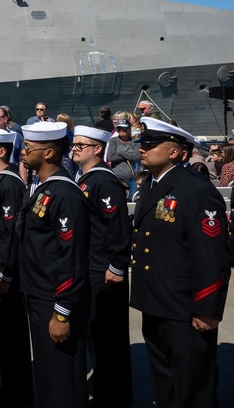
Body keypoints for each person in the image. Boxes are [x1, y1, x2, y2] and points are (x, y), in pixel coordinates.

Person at [130, 117, 231, 408]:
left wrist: (207, 309)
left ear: (175, 152)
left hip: (186, 307)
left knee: (193, 385)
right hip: (157, 301)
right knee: (166, 382)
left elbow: (212, 257)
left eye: (151, 145)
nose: (143, 149)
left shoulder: (196, 190)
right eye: (143, 144)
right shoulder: (151, 185)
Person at [3, 121, 90, 408]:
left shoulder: (65, 194)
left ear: (49, 154)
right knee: (47, 377)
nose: (23, 152)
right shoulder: (43, 189)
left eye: (29, 148)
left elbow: (71, 257)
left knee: (62, 381)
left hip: (55, 300)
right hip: (38, 296)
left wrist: (62, 312)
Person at [72, 125, 132, 408]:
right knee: (94, 334)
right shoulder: (84, 179)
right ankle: (103, 386)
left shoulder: (104, 182)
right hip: (89, 265)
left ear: (97, 149)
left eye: (80, 145)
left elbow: (117, 227)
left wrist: (117, 267)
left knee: (108, 338)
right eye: (73, 144)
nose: (74, 148)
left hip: (103, 268)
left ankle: (113, 396)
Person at [0, 127, 31, 408]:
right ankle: (2, 382)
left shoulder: (10, 184)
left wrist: (6, 273)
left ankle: (16, 391)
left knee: (11, 331)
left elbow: (12, 232)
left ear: (2, 152)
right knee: (0, 327)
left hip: (4, 267)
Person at [105, 116, 141, 199]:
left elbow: (136, 157)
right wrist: (128, 154)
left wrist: (120, 152)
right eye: (119, 128)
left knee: (132, 199)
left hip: (132, 177)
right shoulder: (113, 141)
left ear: (129, 129)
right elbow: (111, 157)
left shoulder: (136, 142)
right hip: (117, 176)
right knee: (117, 198)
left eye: (124, 128)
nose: (121, 130)